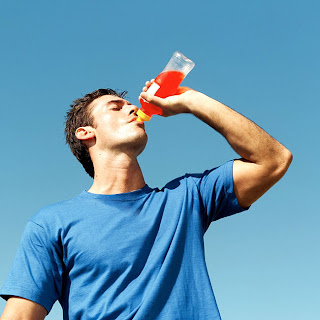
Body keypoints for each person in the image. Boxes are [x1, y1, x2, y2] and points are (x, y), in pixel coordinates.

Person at [0, 81, 292, 320]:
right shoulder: (51, 223)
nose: (132, 107)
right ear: (86, 132)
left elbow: (274, 160)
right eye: (116, 107)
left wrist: (192, 101)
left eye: (129, 104)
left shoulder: (187, 198)